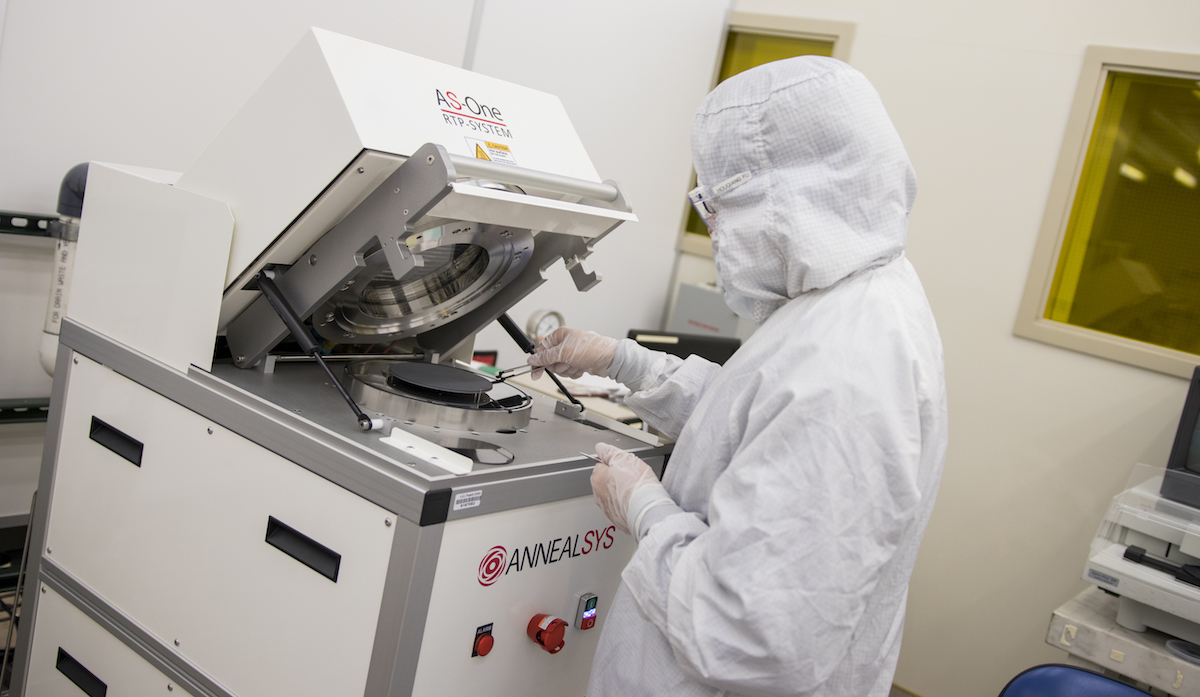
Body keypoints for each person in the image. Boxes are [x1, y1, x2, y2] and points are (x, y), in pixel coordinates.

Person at [528, 56, 947, 697]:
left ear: (786, 199)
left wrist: (646, 508)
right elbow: (750, 418)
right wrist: (624, 361)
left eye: (717, 207)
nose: (716, 230)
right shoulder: (853, 298)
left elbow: (748, 636)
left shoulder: (846, 365)